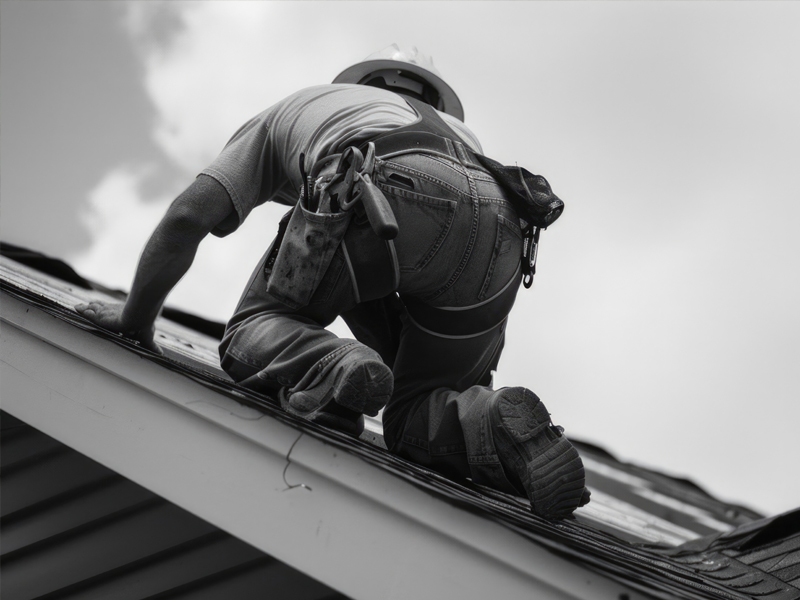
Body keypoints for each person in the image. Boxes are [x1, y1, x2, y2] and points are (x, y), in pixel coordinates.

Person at [76, 45, 589, 519]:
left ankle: (335, 368)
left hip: (383, 181)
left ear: (360, 82)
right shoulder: (462, 136)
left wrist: (135, 318)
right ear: (435, 100)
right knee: (420, 411)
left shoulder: (305, 105)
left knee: (256, 326)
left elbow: (188, 216)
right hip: (504, 219)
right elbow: (424, 251)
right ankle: (493, 423)